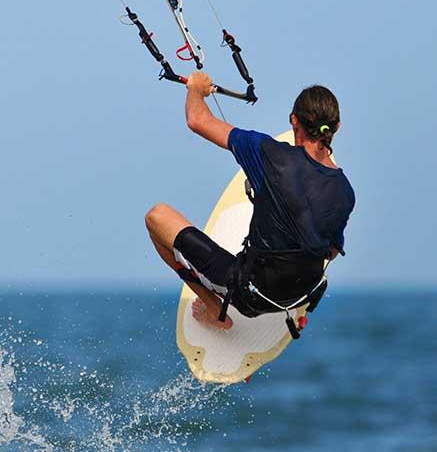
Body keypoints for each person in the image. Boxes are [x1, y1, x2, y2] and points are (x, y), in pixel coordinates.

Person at [145, 72, 355, 329]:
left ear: (293, 120)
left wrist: (196, 89)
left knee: (157, 217)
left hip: (250, 293)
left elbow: (197, 119)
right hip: (301, 292)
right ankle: (295, 308)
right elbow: (330, 253)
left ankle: (214, 310)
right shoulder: (345, 191)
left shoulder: (268, 153)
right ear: (337, 127)